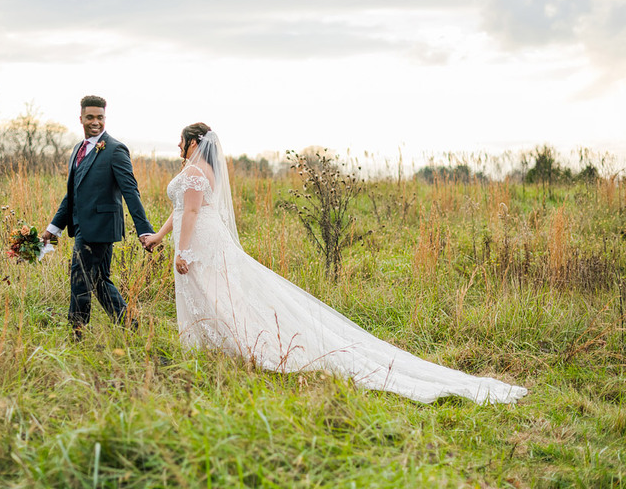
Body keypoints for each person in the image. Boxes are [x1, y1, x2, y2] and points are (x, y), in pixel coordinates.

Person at [143, 123, 528, 404]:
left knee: (219, 295)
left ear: (194, 142)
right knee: (216, 294)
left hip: (201, 242)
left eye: (181, 140)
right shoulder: (200, 172)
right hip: (201, 238)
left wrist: (182, 251)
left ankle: (241, 347)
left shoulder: (194, 172)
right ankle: (222, 347)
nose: (178, 145)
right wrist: (160, 237)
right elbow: (180, 210)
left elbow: (191, 213)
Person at [41, 95, 154, 340]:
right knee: (99, 280)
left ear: (105, 117)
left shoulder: (115, 149)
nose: (95, 122)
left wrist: (144, 230)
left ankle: (76, 334)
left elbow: (130, 191)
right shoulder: (77, 149)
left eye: (100, 117)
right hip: (82, 226)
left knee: (79, 278)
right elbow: (72, 194)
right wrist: (54, 227)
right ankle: (129, 325)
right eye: (90, 117)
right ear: (81, 118)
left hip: (102, 226)